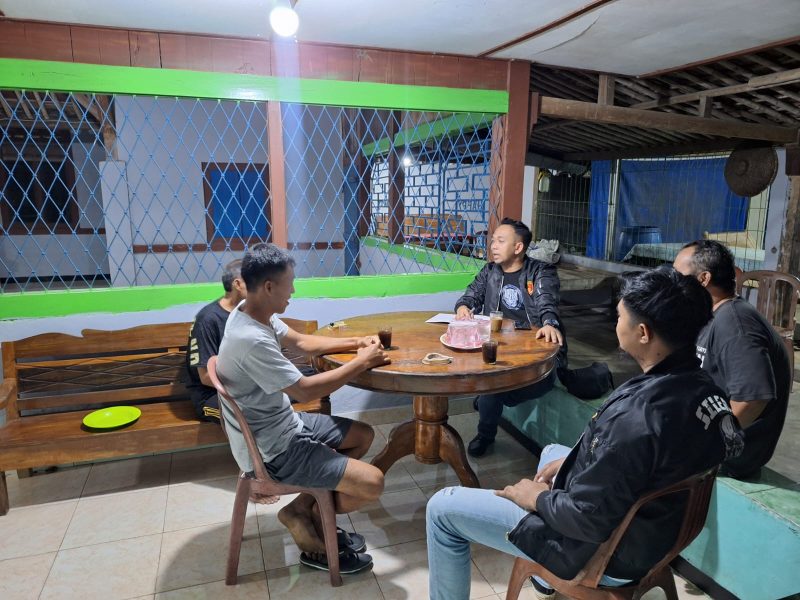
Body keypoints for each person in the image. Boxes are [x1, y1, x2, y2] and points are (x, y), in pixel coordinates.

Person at [426, 267, 744, 600]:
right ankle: (546, 581)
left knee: (442, 508)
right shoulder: (705, 388)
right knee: (553, 452)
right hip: (656, 533)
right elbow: (653, 456)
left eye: (619, 317)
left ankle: (551, 567)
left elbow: (587, 518)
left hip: (606, 550)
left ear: (643, 333)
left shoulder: (638, 416)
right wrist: (573, 461)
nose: (615, 323)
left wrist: (535, 498)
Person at [217, 243, 390, 575]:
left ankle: (301, 511)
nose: (293, 291)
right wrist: (361, 363)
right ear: (269, 287)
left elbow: (302, 342)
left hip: (283, 423)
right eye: (290, 283)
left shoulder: (251, 311)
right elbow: (305, 389)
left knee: (362, 436)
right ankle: (311, 525)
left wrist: (358, 342)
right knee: (373, 483)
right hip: (273, 450)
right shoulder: (250, 339)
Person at [674, 239, 791, 479]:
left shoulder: (735, 323)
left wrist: (706, 445)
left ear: (703, 279)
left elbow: (753, 398)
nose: (672, 282)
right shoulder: (713, 316)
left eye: (678, 275)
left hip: (731, 457)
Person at [454, 217, 566, 457]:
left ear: (518, 247)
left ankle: (486, 418)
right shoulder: (490, 271)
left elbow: (547, 301)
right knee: (485, 379)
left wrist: (549, 322)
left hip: (532, 350)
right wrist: (463, 306)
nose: (493, 245)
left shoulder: (541, 271)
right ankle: (486, 426)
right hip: (499, 346)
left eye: (500, 241)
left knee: (494, 389)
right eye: (493, 240)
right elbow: (471, 295)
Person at [186, 259, 246, 422]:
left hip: (243, 389)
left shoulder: (247, 313)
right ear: (237, 284)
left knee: (285, 397)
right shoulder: (207, 319)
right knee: (258, 413)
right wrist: (253, 387)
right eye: (254, 282)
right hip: (211, 395)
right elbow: (206, 377)